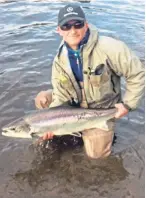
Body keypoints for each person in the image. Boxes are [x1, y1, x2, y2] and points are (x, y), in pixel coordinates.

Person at [35, 4, 144, 158]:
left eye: (77, 24)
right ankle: (68, 131)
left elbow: (137, 73)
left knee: (97, 157)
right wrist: (51, 124)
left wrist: (127, 105)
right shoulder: (60, 59)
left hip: (101, 109)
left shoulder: (111, 48)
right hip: (74, 106)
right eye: (66, 26)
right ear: (59, 30)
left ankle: (102, 130)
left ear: (86, 26)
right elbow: (60, 95)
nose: (72, 30)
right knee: (43, 99)